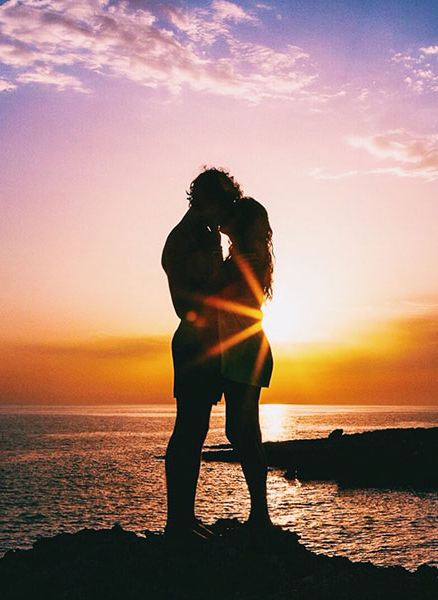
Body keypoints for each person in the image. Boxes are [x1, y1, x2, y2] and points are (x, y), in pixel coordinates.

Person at [162, 168, 240, 539]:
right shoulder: (186, 237)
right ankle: (177, 522)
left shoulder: (206, 234)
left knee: (197, 430)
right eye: (224, 204)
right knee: (188, 430)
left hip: (206, 342)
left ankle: (185, 517)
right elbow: (186, 302)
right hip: (194, 342)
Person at [214, 196, 275, 529]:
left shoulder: (248, 258)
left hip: (246, 352)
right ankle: (260, 514)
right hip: (242, 351)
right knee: (244, 433)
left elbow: (237, 297)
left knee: (243, 434)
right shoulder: (242, 255)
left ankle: (260, 514)